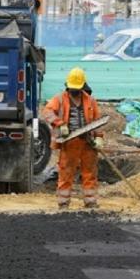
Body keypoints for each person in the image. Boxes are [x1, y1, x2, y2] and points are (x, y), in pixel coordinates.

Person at [42, 67, 104, 209]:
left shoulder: (90, 101)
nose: (74, 91)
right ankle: (63, 203)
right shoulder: (59, 99)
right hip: (69, 141)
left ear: (83, 86)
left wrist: (99, 137)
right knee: (66, 172)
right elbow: (47, 112)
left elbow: (97, 121)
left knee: (90, 173)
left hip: (87, 142)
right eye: (72, 88)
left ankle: (90, 202)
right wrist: (60, 124)